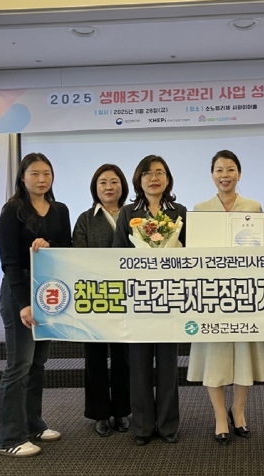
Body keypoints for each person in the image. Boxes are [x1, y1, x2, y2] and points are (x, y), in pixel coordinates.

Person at [186, 150, 264, 445]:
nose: (225, 175)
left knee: (243, 353)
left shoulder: (253, 207)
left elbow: (262, 253)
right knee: (215, 356)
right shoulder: (200, 209)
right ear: (212, 175)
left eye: (231, 169)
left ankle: (238, 411)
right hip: (211, 295)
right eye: (219, 169)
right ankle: (219, 417)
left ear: (239, 174)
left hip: (245, 293)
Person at [0, 153, 72, 457]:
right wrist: (23, 304)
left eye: (47, 173)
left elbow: (68, 249)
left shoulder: (60, 209)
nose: (42, 179)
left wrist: (49, 246)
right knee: (19, 365)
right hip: (20, 292)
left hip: (48, 290)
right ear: (23, 177)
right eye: (35, 173)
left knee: (38, 363)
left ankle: (33, 424)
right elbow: (9, 262)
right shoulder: (12, 210)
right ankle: (8, 438)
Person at [112, 155, 187, 446]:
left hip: (169, 298)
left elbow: (190, 255)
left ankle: (168, 425)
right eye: (147, 173)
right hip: (139, 298)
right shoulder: (128, 213)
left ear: (168, 179)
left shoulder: (179, 212)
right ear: (138, 180)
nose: (153, 178)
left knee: (168, 365)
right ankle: (142, 426)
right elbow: (118, 255)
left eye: (159, 173)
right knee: (139, 364)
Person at [73, 164, 131, 437]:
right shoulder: (85, 219)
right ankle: (99, 413)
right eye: (103, 182)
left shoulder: (134, 215)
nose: (109, 187)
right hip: (94, 296)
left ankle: (122, 411)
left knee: (123, 357)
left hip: (127, 297)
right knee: (94, 357)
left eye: (114, 182)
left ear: (123, 186)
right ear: (95, 188)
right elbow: (78, 256)